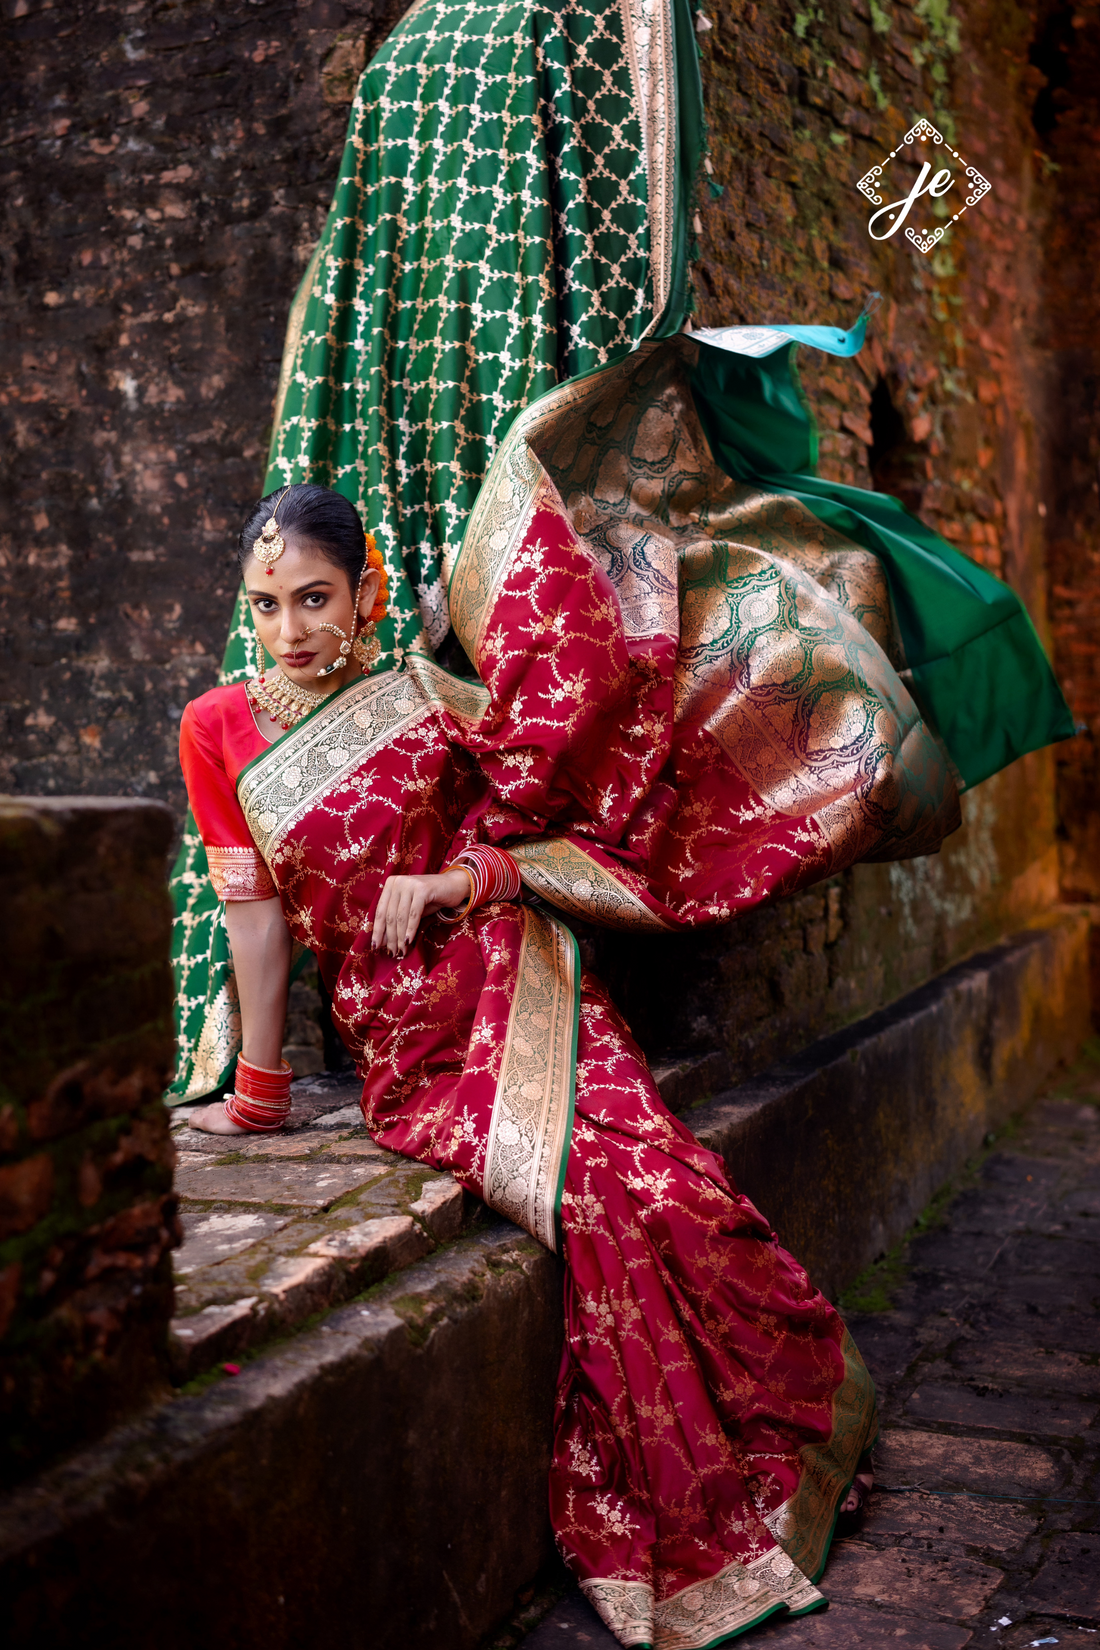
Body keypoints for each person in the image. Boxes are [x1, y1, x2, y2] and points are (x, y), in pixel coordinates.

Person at [180, 470, 967, 1644]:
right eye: (264, 605)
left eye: (311, 599)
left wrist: (447, 879)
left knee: (659, 1179)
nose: (287, 631)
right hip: (408, 1039)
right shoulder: (217, 729)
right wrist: (258, 1090)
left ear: (366, 594)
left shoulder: (427, 700)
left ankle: (796, 1424)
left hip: (516, 977)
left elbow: (518, 849)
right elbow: (252, 920)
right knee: (596, 1195)